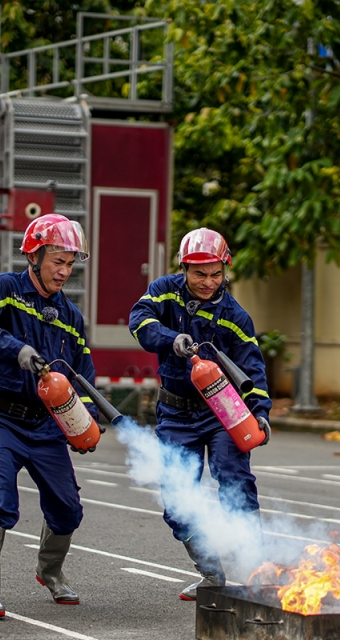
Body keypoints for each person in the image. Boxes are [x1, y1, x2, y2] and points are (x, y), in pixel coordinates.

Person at [0, 214, 99, 617]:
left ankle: (49, 570)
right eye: (58, 261)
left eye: (70, 264)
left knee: (67, 508)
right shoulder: (2, 289)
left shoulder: (71, 316)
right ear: (34, 255)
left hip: (45, 425)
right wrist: (13, 348)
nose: (64, 271)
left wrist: (85, 421)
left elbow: (82, 373)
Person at [129, 228, 271, 600]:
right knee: (177, 499)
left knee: (234, 481)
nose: (208, 282)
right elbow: (139, 320)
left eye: (215, 274)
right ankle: (211, 573)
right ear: (184, 269)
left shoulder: (235, 317)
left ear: (225, 270)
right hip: (175, 414)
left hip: (223, 413)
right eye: (198, 274)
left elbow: (252, 369)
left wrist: (261, 412)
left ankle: (258, 573)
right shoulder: (163, 291)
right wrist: (168, 339)